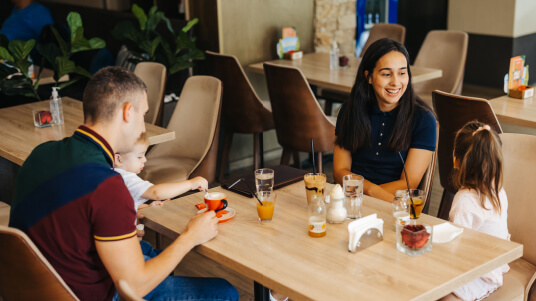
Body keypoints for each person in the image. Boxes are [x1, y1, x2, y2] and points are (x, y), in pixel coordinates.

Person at [9, 66, 238, 301]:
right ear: (128, 112)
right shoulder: (106, 185)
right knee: (225, 292)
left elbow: (67, 230)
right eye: (144, 116)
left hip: (33, 291)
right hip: (92, 295)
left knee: (153, 256)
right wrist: (190, 236)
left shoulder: (39, 154)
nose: (142, 128)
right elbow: (135, 286)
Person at [333, 38, 437, 202]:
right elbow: (340, 170)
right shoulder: (350, 111)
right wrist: (370, 191)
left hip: (392, 205)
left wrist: (370, 195)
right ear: (369, 77)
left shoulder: (423, 120)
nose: (396, 82)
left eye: (402, 73)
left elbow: (408, 184)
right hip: (350, 202)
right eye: (386, 74)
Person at [442, 121, 509, 301]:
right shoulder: (498, 191)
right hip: (496, 263)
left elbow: (455, 253)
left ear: (456, 160)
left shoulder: (464, 201)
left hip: (480, 274)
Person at [114, 132, 208, 211]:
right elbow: (155, 193)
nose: (144, 160)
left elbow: (123, 204)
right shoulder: (124, 178)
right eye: (139, 157)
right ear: (118, 159)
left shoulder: (108, 172)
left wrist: (147, 207)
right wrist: (190, 184)